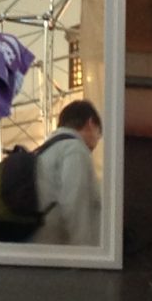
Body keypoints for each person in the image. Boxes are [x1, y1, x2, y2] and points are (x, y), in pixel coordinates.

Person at [31, 99, 106, 247]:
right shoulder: (75, 149)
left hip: (36, 243)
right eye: (99, 133)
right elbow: (75, 204)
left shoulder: (43, 152)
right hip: (58, 249)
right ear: (91, 123)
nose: (97, 141)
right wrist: (84, 254)